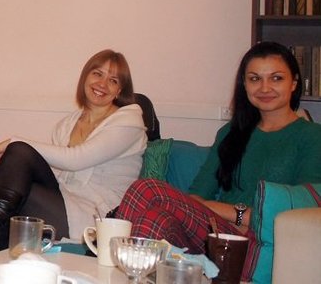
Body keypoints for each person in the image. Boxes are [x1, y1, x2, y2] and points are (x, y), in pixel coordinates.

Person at [114, 41, 321, 281]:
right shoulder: (231, 134)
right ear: (244, 84)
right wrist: (238, 215)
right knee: (153, 219)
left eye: (276, 78)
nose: (265, 88)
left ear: (294, 83)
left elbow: (303, 214)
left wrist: (234, 213)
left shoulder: (312, 137)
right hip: (215, 238)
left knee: (148, 188)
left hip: (262, 247)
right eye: (255, 79)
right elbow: (197, 197)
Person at [0, 49, 146, 261]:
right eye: (97, 74)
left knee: (19, 150)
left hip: (96, 218)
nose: (102, 84)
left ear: (119, 90)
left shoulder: (129, 120)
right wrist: (10, 170)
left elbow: (76, 159)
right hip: (64, 199)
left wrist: (11, 142)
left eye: (113, 80)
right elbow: (56, 171)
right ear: (85, 77)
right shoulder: (67, 124)